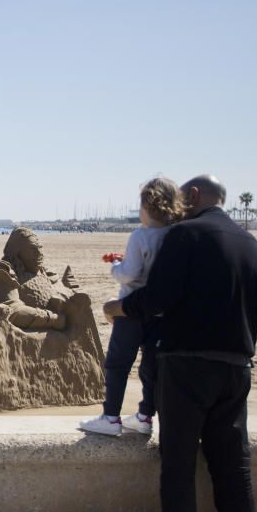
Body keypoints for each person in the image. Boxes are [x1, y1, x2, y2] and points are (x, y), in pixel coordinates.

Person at [103, 174, 257, 512]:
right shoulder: (253, 246)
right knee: (234, 463)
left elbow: (156, 298)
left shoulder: (184, 236)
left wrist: (117, 308)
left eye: (182, 197)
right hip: (236, 366)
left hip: (185, 365)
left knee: (177, 462)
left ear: (194, 196)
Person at [80, 177, 184, 436]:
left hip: (130, 310)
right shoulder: (175, 235)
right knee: (150, 365)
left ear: (148, 205)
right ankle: (145, 416)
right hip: (160, 313)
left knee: (118, 363)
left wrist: (116, 268)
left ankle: (111, 417)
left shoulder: (141, 235)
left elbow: (130, 274)